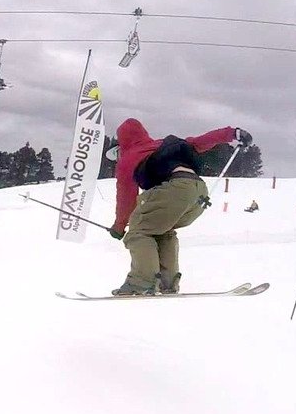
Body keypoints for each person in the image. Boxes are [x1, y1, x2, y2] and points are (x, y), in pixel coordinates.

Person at [107, 118, 253, 296]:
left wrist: (119, 226)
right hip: (199, 192)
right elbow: (199, 142)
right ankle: (168, 283)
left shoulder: (128, 158)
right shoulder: (161, 145)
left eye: (117, 152)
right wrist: (232, 133)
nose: (117, 157)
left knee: (139, 231)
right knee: (162, 229)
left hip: (174, 189)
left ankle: (141, 283)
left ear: (122, 143)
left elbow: (126, 198)